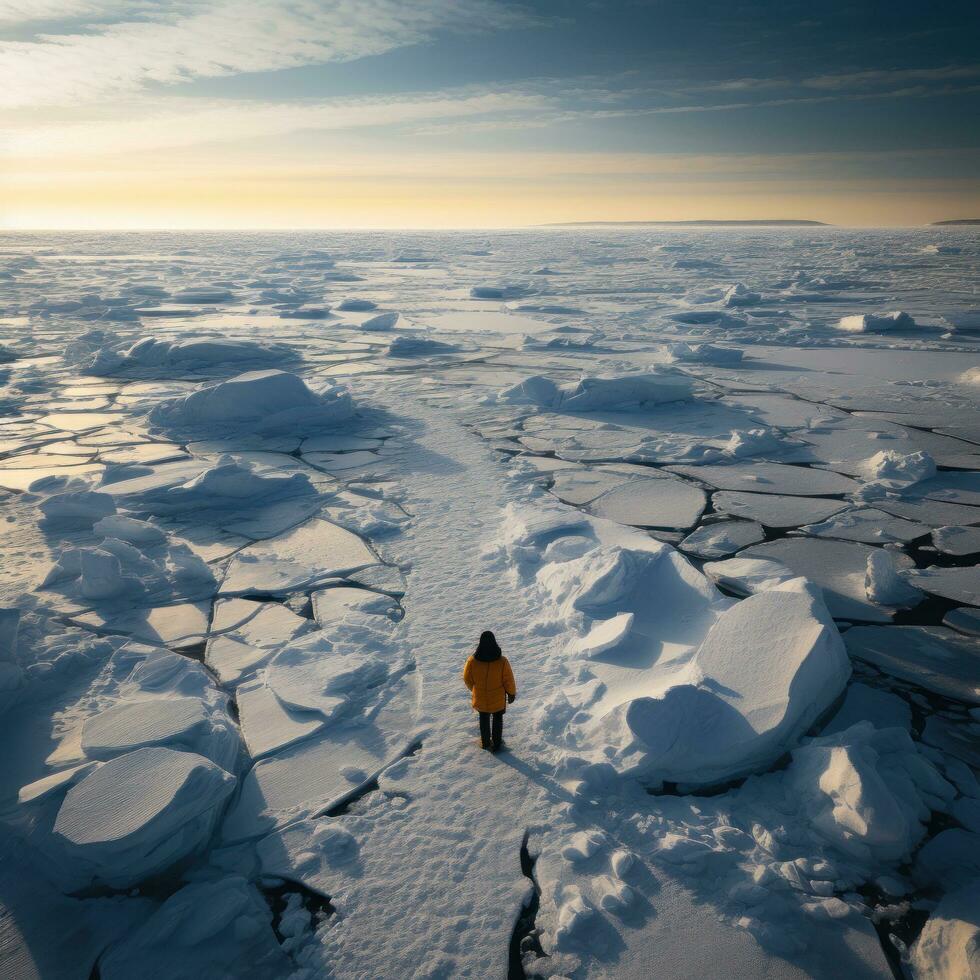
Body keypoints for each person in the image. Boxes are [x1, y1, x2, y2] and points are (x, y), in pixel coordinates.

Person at [462, 630, 516, 752]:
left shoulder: (472, 661)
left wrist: (475, 689)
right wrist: (511, 693)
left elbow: (467, 678)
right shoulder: (502, 661)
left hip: (480, 697)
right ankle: (497, 744)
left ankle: (486, 742)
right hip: (497, 699)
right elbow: (508, 680)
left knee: (483, 719)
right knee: (498, 719)